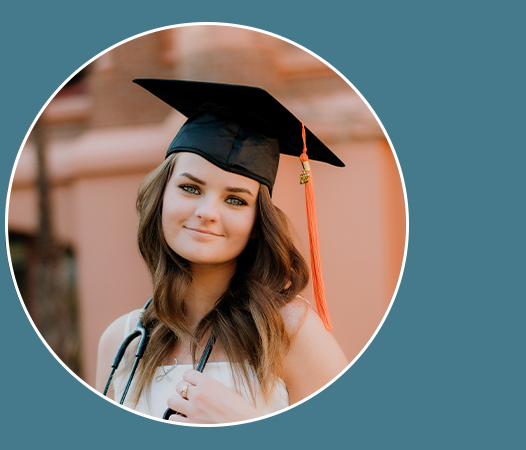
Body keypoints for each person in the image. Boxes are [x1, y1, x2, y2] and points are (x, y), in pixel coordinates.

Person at [95, 79, 349, 424]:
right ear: (161, 198)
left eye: (235, 199)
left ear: (258, 222)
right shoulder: (122, 340)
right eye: (190, 187)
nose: (208, 212)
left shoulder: (288, 332)